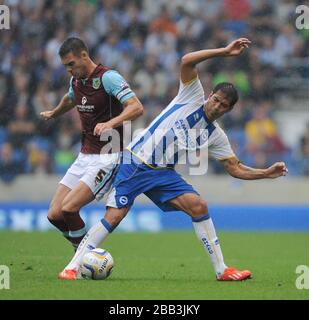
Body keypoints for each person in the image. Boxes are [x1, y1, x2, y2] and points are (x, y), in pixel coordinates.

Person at [58, 38, 288, 281]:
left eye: (224, 106)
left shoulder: (216, 135)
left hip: (163, 173)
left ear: (228, 111)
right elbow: (187, 60)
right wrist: (224, 51)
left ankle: (222, 270)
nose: (217, 106)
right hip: (136, 162)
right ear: (209, 95)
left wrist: (265, 173)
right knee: (115, 216)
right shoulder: (191, 94)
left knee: (199, 206)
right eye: (216, 99)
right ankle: (72, 267)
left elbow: (235, 167)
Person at [40, 37, 143, 250]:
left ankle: (83, 258)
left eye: (71, 64)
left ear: (84, 56)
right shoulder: (76, 81)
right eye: (65, 66)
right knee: (54, 214)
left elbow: (136, 107)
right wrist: (54, 113)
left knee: (69, 209)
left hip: (108, 156)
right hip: (84, 155)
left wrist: (110, 123)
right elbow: (70, 99)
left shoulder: (108, 78)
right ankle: (89, 253)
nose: (69, 70)